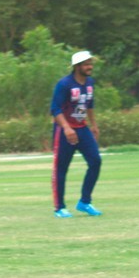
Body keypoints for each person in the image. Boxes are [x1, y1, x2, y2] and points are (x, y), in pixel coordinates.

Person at [50, 50, 102, 218]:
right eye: (86, 64)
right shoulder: (64, 84)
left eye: (90, 63)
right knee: (61, 168)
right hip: (64, 131)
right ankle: (60, 207)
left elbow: (89, 105)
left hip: (82, 128)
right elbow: (55, 109)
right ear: (77, 66)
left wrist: (94, 125)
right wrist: (66, 128)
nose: (90, 67)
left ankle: (85, 202)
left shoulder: (90, 83)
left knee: (95, 161)